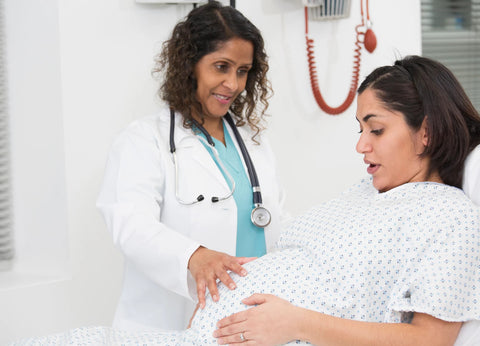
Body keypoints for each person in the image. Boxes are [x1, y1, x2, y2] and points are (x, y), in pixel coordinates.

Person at [12, 56, 480, 345]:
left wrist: (294, 322)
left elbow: (429, 341)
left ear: (427, 132)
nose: (361, 145)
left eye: (375, 129)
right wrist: (230, 283)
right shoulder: (365, 193)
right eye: (360, 129)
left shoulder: (446, 213)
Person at [96, 1, 284, 332]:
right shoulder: (144, 140)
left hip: (249, 321)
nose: (233, 84)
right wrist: (193, 256)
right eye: (221, 67)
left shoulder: (253, 143)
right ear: (190, 65)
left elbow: (276, 221)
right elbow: (129, 224)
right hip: (170, 323)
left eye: (242, 71)